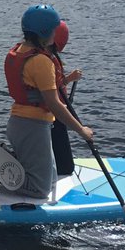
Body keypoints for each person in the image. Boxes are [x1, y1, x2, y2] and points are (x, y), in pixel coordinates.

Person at [0, 5, 94, 200]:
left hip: (21, 123)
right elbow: (54, 104)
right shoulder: (42, 61)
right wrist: (81, 130)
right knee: (40, 189)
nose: (56, 34)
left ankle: (3, 162)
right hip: (32, 126)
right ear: (45, 32)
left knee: (53, 179)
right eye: (55, 30)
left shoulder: (17, 51)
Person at [49, 20, 84, 175]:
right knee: (66, 168)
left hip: (51, 114)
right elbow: (52, 87)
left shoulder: (46, 57)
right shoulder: (48, 60)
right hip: (54, 115)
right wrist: (69, 78)